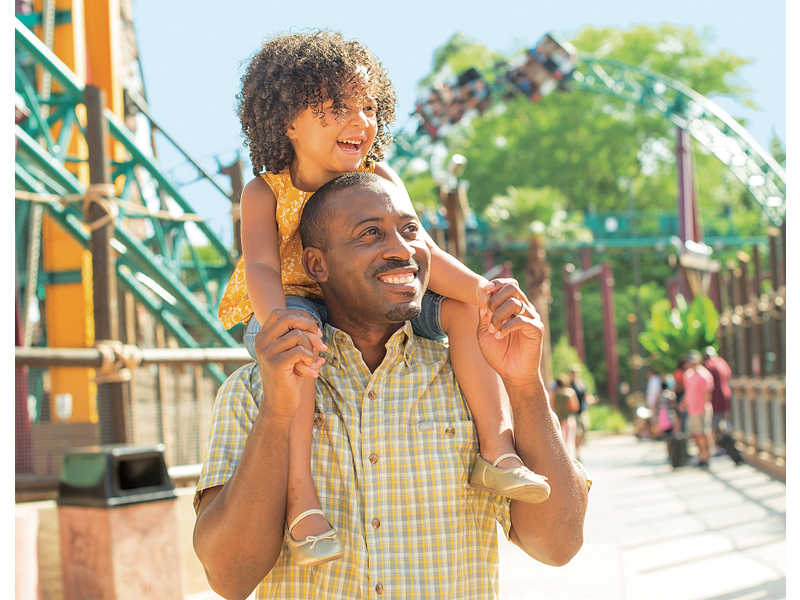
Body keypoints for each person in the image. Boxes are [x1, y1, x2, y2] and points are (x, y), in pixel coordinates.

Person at [215, 31, 549, 562]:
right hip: (295, 297)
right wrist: (278, 321)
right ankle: (302, 502)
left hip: (376, 294)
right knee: (301, 355)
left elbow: (425, 254)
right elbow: (259, 263)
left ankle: (497, 447)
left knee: (462, 310)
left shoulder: (380, 177)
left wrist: (483, 292)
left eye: (369, 107)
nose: (361, 120)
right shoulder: (266, 189)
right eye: (336, 107)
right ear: (287, 122)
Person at [193, 173, 590, 599]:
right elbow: (229, 578)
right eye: (370, 234)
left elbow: (557, 545)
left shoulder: (479, 380)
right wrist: (277, 414)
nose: (403, 250)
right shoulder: (253, 393)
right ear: (316, 264)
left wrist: (525, 385)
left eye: (410, 230)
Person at [679, 350, 714, 467]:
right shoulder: (687, 375)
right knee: (694, 434)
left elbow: (706, 393)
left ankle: (706, 457)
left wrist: (704, 409)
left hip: (701, 409)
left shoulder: (704, 375)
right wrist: (684, 402)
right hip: (692, 409)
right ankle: (700, 455)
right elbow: (688, 391)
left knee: (703, 434)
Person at [702, 346, 733, 443]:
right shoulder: (722, 363)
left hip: (716, 399)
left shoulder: (709, 365)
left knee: (716, 424)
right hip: (726, 396)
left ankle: (722, 445)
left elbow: (707, 385)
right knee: (724, 421)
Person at [552, 375, 579, 457]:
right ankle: (570, 459)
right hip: (568, 419)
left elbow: (551, 406)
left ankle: (562, 458)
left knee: (561, 440)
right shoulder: (570, 393)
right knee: (569, 441)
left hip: (558, 419)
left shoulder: (553, 394)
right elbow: (575, 407)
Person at [569, 365, 593, 457]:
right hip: (573, 413)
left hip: (583, 411)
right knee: (577, 433)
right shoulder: (569, 385)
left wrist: (589, 401)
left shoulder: (582, 384)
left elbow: (587, 395)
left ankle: (578, 448)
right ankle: (577, 452)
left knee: (584, 431)